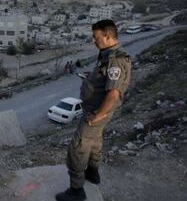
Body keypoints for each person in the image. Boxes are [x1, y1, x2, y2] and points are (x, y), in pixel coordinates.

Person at [56, 19, 132, 201]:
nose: (93, 40)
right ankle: (93, 172)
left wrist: (96, 116)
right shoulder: (108, 54)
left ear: (106, 36)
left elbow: (113, 95)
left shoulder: (115, 60)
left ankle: (76, 191)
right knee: (95, 142)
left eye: (95, 37)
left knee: (78, 148)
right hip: (98, 111)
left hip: (97, 113)